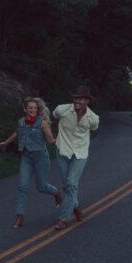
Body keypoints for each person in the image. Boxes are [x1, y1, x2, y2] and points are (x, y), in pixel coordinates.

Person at [0, 97, 63, 228]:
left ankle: (56, 193)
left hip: (40, 158)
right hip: (26, 157)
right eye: (30, 107)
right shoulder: (21, 122)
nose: (33, 110)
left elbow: (50, 140)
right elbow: (16, 134)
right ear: (25, 109)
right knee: (22, 186)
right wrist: (5, 143)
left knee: (41, 186)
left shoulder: (42, 122)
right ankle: (20, 216)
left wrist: (63, 139)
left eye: (35, 108)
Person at [52, 85, 99, 230]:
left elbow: (93, 129)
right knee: (67, 186)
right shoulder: (62, 109)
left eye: (81, 99)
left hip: (80, 154)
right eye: (75, 98)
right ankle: (76, 208)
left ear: (87, 101)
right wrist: (58, 137)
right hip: (63, 152)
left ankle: (63, 219)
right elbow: (54, 118)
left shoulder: (93, 118)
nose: (77, 101)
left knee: (71, 183)